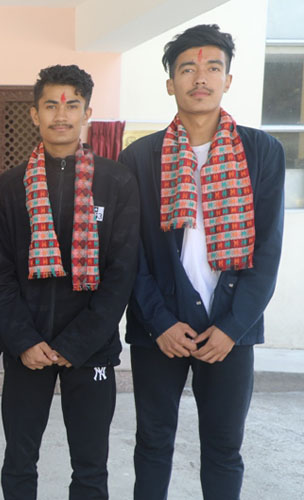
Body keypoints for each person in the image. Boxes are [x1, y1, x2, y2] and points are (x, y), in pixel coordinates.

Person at [121, 24, 285, 500]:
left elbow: (267, 250)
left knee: (224, 448)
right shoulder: (140, 157)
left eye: (213, 68)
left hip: (230, 329)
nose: (200, 78)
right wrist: (159, 321)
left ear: (228, 80)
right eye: (187, 69)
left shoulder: (261, 152)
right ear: (169, 82)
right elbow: (129, 252)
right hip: (160, 328)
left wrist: (233, 328)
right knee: (153, 444)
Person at [0, 64, 139, 499]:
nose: (61, 114)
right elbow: (0, 271)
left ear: (86, 112)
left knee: (90, 466)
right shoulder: (9, 186)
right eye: (51, 105)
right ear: (34, 114)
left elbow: (121, 271)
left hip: (91, 349)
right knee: (19, 461)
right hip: (27, 349)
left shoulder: (116, 182)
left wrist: (78, 343)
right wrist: (23, 340)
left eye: (72, 105)